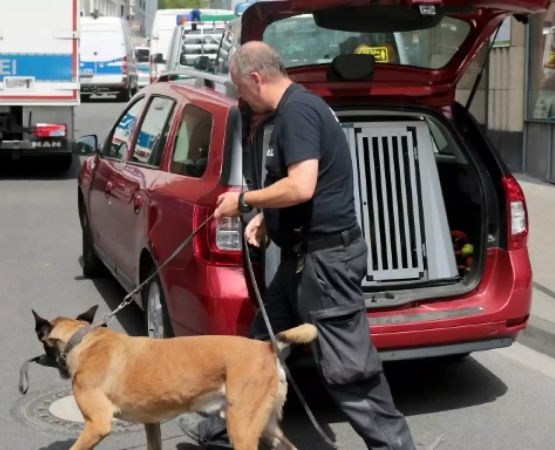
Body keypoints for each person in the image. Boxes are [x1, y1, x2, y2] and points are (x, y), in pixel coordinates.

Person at [178, 41, 416, 450]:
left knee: (349, 369)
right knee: (255, 348)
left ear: (256, 78)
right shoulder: (293, 110)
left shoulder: (298, 113)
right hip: (302, 260)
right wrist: (267, 222)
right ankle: (222, 433)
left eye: (239, 86)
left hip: (327, 264)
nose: (239, 97)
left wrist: (245, 201)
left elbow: (302, 186)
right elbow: (300, 190)